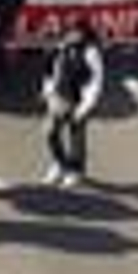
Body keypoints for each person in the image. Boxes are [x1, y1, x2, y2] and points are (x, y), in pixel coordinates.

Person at [40, 20, 105, 188]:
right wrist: (48, 92)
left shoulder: (90, 52)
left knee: (76, 137)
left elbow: (95, 81)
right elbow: (50, 71)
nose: (71, 35)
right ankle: (59, 163)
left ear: (83, 33)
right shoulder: (61, 47)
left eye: (75, 32)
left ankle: (76, 171)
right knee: (50, 132)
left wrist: (85, 106)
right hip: (59, 97)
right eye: (69, 31)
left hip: (78, 100)